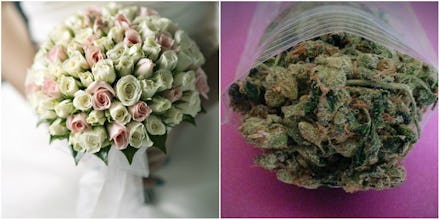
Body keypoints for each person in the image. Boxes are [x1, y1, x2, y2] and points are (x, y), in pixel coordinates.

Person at [1, 2, 218, 217]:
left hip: (203, 105)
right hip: (40, 104)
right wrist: (52, 107)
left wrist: (180, 112)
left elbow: (247, 32)